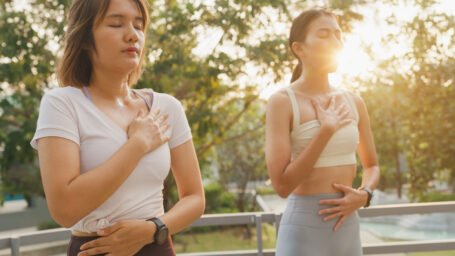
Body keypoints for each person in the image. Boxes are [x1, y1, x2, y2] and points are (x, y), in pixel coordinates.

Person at [30, 0, 205, 255]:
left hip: (156, 246)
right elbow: (64, 210)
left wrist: (153, 229)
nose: (132, 35)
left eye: (139, 25)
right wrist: (138, 144)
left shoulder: (167, 108)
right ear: (85, 38)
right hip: (93, 249)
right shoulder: (62, 104)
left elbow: (195, 197)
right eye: (116, 24)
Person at [265, 9, 380, 256]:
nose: (336, 42)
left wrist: (364, 195)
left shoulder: (354, 101)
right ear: (300, 49)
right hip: (303, 231)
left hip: (348, 226)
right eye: (324, 35)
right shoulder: (282, 102)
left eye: (338, 35)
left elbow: (372, 166)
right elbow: (282, 186)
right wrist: (325, 131)